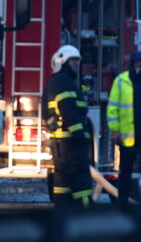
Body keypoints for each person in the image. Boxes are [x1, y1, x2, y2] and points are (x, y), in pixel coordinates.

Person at [43, 45, 92, 209]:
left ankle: (61, 218)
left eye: (77, 61)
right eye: (73, 61)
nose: (76, 65)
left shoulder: (56, 82)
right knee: (82, 184)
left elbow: (46, 113)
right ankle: (86, 219)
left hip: (61, 146)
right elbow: (68, 110)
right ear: (62, 62)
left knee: (62, 185)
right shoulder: (63, 82)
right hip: (71, 145)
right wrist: (81, 137)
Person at [107, 51, 141, 207]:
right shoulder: (121, 80)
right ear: (132, 64)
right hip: (127, 136)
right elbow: (113, 107)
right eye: (136, 62)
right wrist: (114, 130)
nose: (139, 65)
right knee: (125, 171)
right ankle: (122, 203)